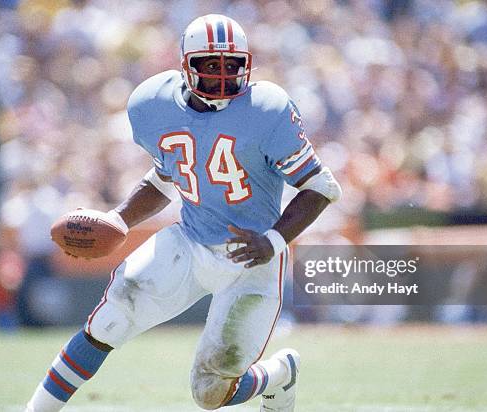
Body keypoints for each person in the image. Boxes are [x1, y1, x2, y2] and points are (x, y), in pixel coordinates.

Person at [26, 14, 340, 412]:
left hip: (252, 259)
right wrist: (121, 218)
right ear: (186, 66)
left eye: (232, 65)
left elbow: (320, 187)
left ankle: (280, 373)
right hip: (189, 242)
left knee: (209, 393)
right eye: (211, 65)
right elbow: (164, 178)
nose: (223, 76)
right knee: (110, 318)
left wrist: (274, 239)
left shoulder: (267, 109)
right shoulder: (152, 104)